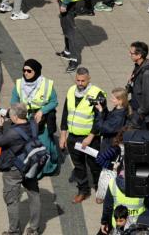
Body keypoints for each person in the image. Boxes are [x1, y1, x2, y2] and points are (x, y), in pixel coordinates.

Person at [0, 103, 42, 235]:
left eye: (11, 114)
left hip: (14, 169)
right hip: (31, 165)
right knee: (34, 195)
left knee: (12, 200)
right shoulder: (33, 124)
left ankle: (14, 231)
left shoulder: (12, 132)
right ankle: (33, 229)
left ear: (15, 117)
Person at [59, 66, 104, 203]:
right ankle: (83, 190)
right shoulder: (71, 90)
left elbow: (100, 118)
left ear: (88, 79)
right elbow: (66, 113)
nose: (79, 83)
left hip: (90, 138)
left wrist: (90, 137)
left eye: (83, 81)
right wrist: (63, 134)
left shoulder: (97, 94)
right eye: (77, 80)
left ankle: (99, 189)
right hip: (73, 137)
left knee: (95, 166)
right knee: (78, 166)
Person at [126, 41, 149, 130]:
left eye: (131, 53)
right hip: (136, 108)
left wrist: (139, 114)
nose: (129, 54)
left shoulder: (147, 74)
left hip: (142, 114)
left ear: (139, 55)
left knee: (141, 138)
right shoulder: (139, 66)